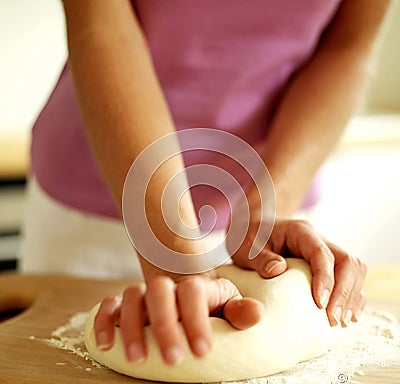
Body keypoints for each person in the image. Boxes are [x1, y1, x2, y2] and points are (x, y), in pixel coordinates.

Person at [21, 0, 390, 365]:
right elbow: (101, 27)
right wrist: (173, 254)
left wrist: (266, 207)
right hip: (97, 201)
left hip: (275, 191)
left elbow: (349, 43)